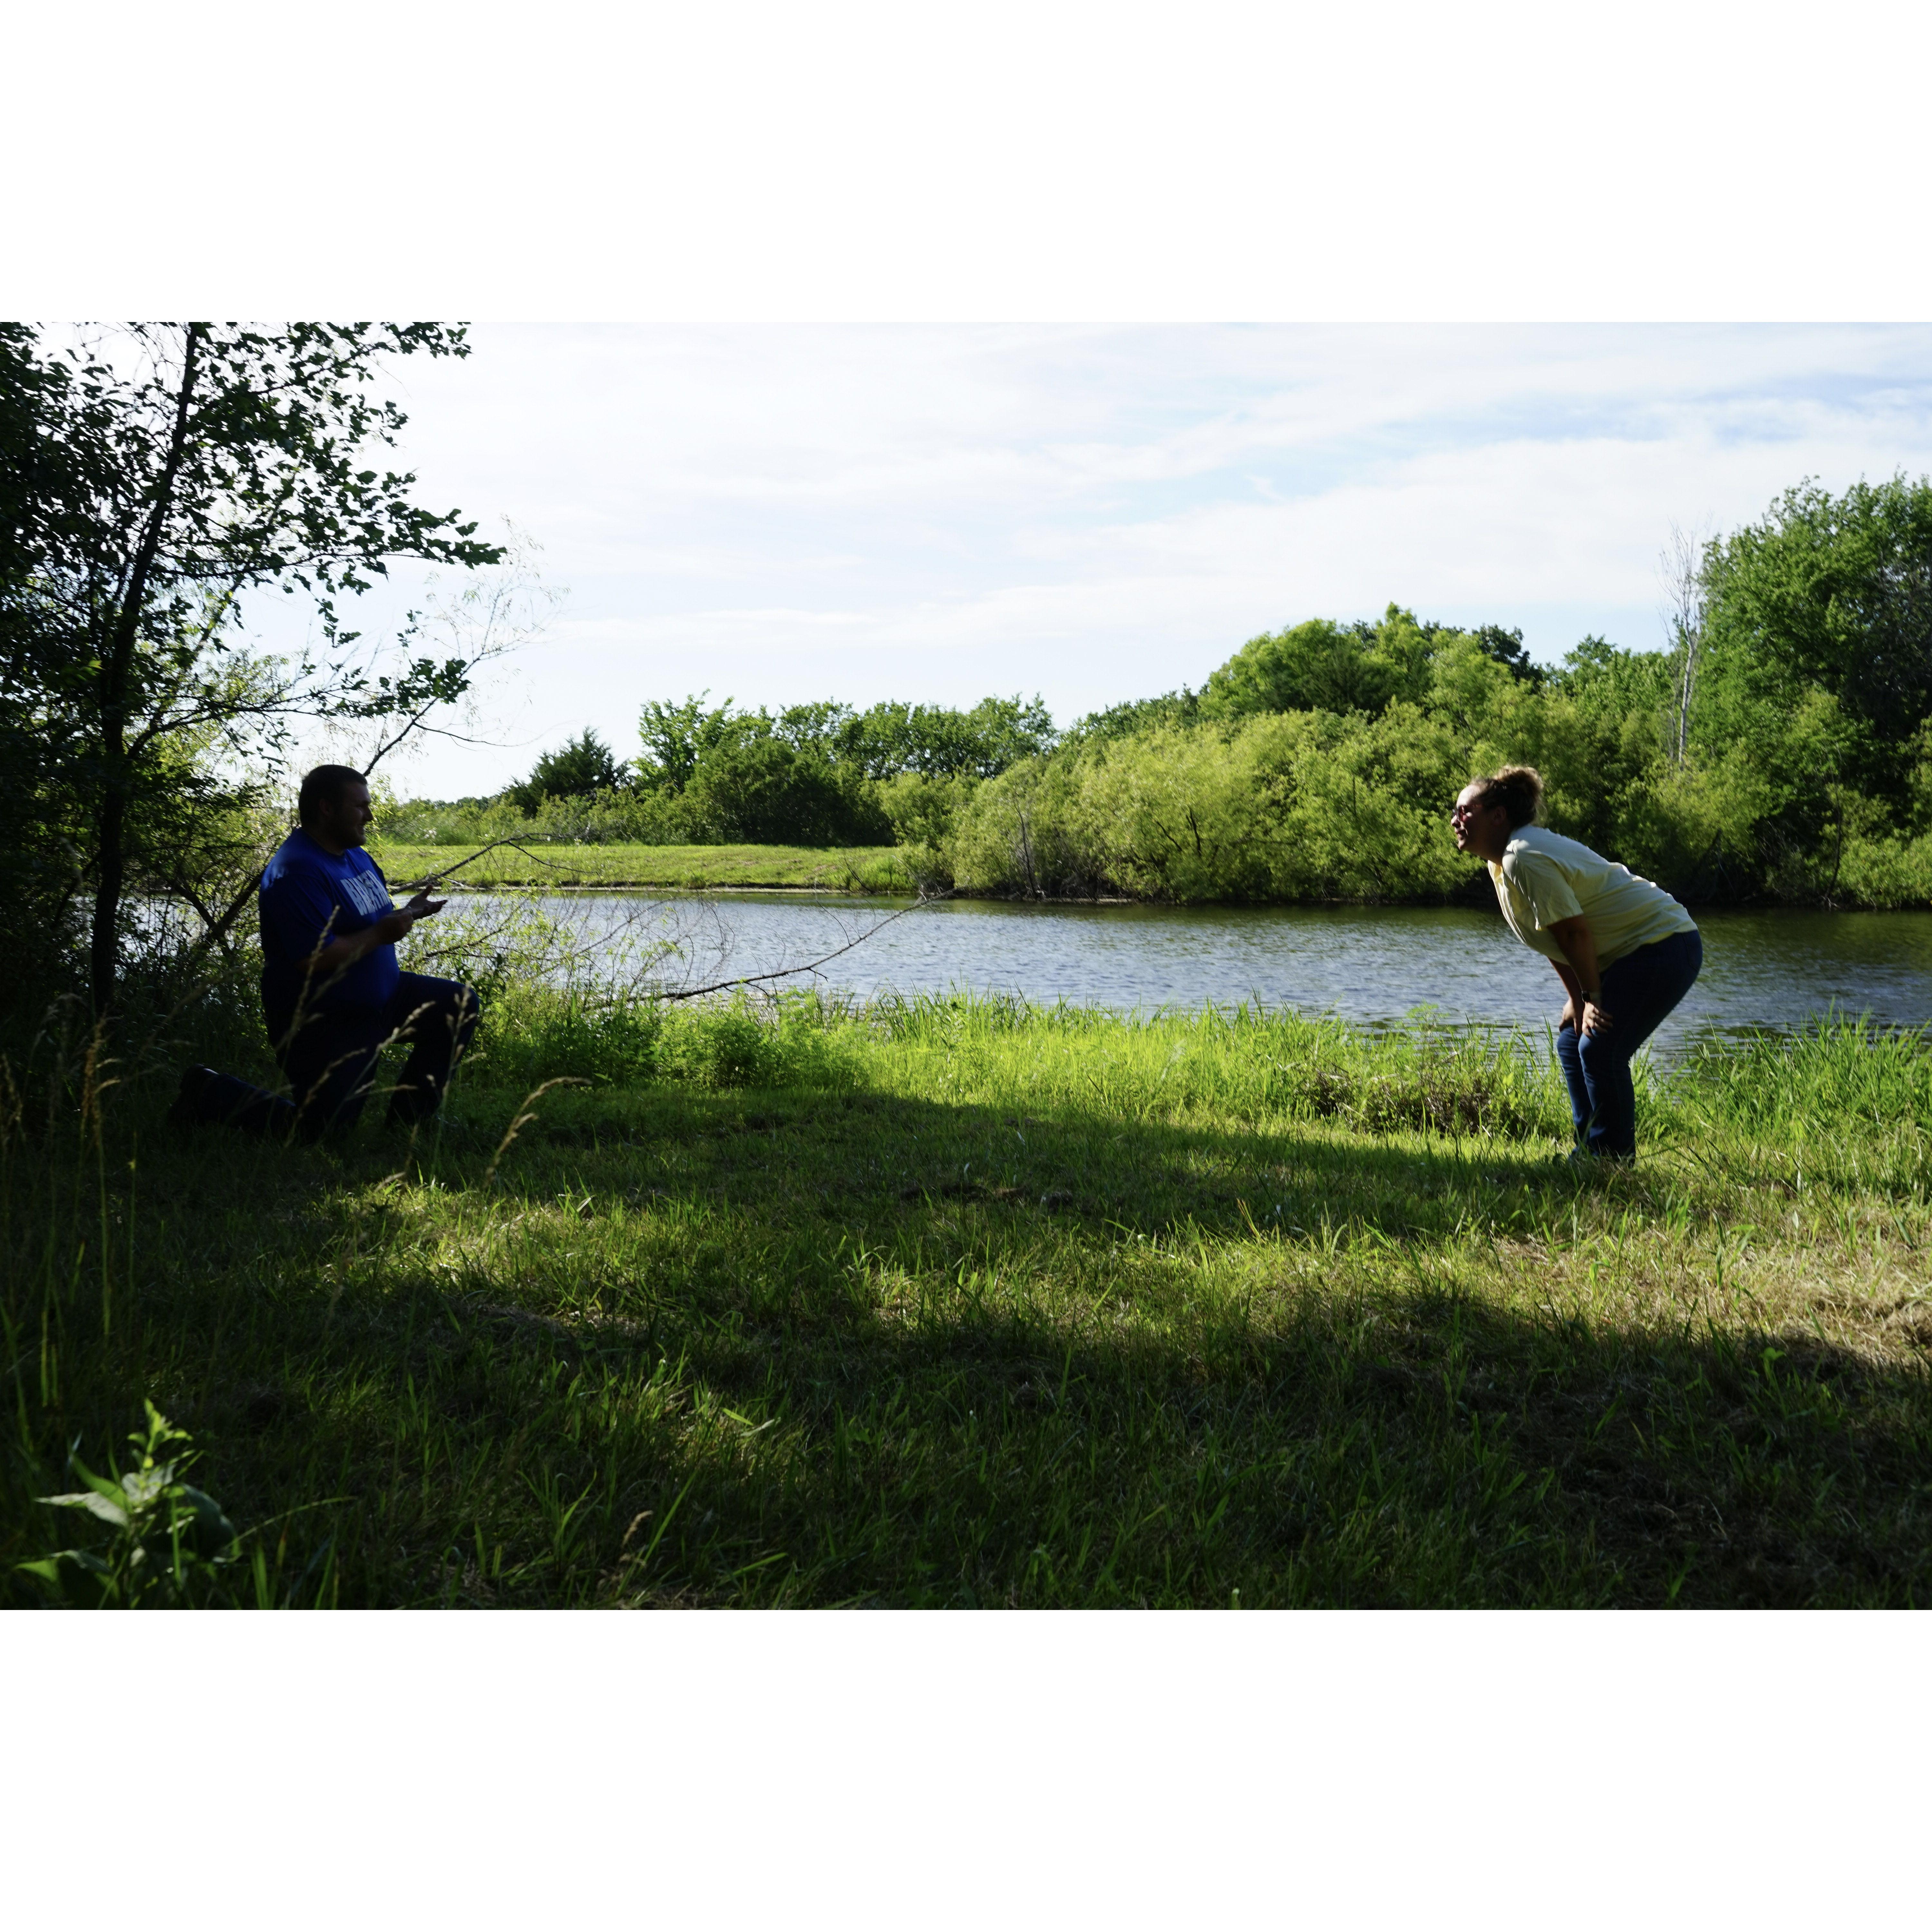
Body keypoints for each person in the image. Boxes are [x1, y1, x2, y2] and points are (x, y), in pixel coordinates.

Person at [173, 764, 481, 1141]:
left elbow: (366, 917)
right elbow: (314, 957)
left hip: (382, 1000)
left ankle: (408, 1126)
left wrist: (408, 912)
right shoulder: (298, 870)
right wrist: (383, 933)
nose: (369, 815)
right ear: (327, 809)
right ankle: (208, 1091)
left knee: (459, 1004)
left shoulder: (355, 856)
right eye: (361, 806)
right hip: (325, 1020)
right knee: (319, 1134)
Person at [1451, 765, 1701, 1164]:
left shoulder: (1523, 856)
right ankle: (1590, 1151)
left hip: (1664, 944)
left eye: (1466, 811)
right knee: (1573, 1041)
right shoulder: (1500, 865)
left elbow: (1575, 934)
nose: (1455, 820)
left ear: (1498, 815)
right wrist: (1578, 1000)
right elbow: (1553, 938)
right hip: (1630, 953)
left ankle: (1612, 1160)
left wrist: (1593, 996)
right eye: (1455, 812)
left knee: (1601, 1049)